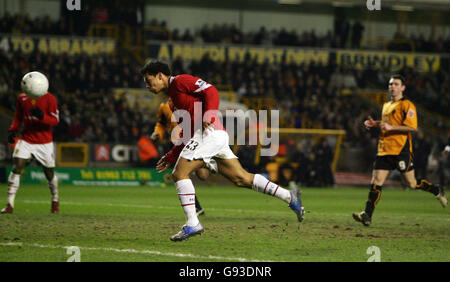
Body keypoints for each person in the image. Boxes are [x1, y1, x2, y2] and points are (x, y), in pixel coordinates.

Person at [140, 61, 304, 241]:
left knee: (180, 174)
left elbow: (211, 90)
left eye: (149, 81)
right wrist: (171, 155)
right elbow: (187, 131)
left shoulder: (180, 82)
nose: (148, 86)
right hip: (210, 136)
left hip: (209, 134)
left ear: (160, 75)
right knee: (241, 178)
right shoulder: (172, 101)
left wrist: (209, 114)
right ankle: (289, 196)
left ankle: (193, 223)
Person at [352, 74, 447, 226]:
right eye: (390, 84)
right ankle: (367, 215)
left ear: (403, 87)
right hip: (384, 149)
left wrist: (390, 127)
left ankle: (436, 189)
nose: (392, 87)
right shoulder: (386, 105)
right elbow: (387, 124)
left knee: (411, 183)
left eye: (396, 84)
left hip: (400, 150)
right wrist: (375, 124)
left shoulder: (407, 105)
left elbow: (412, 127)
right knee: (376, 181)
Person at [1, 73, 60, 214]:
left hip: (44, 141)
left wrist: (42, 117)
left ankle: (55, 199)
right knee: (17, 166)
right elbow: (18, 117)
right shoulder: (22, 98)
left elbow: (55, 121)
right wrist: (12, 131)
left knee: (49, 173)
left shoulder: (50, 99)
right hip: (26, 138)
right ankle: (9, 205)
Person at [151, 98, 207, 216]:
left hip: (194, 140)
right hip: (178, 144)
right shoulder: (164, 107)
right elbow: (161, 124)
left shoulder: (187, 102)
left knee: (202, 175)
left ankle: (210, 161)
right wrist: (157, 133)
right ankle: (196, 207)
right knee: (181, 174)